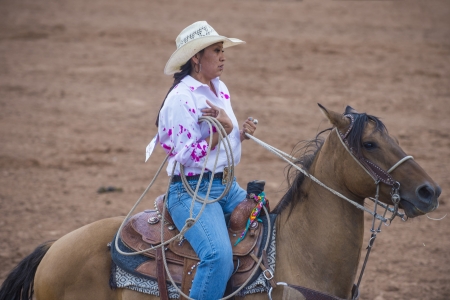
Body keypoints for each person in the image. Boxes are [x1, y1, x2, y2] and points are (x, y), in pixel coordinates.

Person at [154, 21, 257, 299]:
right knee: (217, 256)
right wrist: (220, 133)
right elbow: (183, 155)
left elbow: (224, 139)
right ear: (196, 58)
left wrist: (239, 135)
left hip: (226, 186)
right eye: (216, 50)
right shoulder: (180, 99)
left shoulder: (218, 88)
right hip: (190, 192)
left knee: (269, 228)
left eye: (223, 50)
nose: (223, 56)